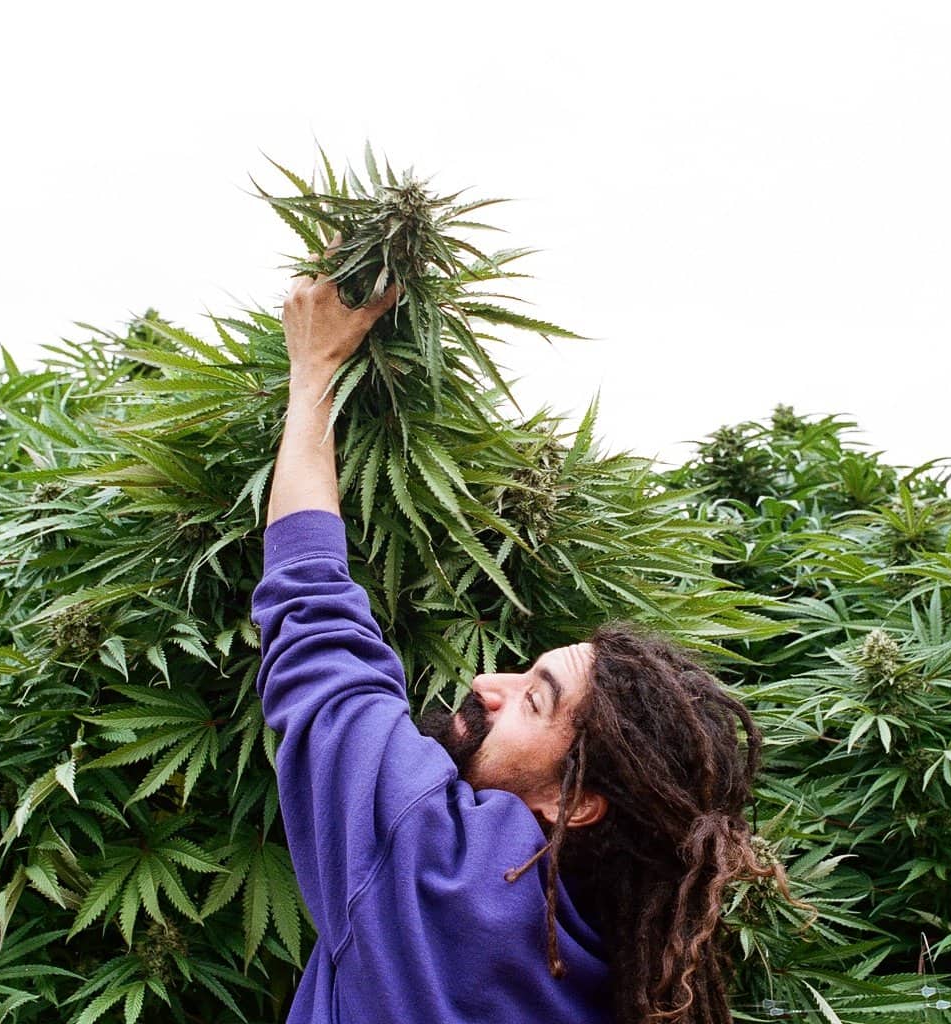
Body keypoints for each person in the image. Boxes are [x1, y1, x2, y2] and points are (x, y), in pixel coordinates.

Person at [252, 271, 786, 1024]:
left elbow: (315, 624)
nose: (485, 681)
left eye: (533, 700)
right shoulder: (621, 962)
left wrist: (313, 373)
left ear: (574, 806)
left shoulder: (435, 869)